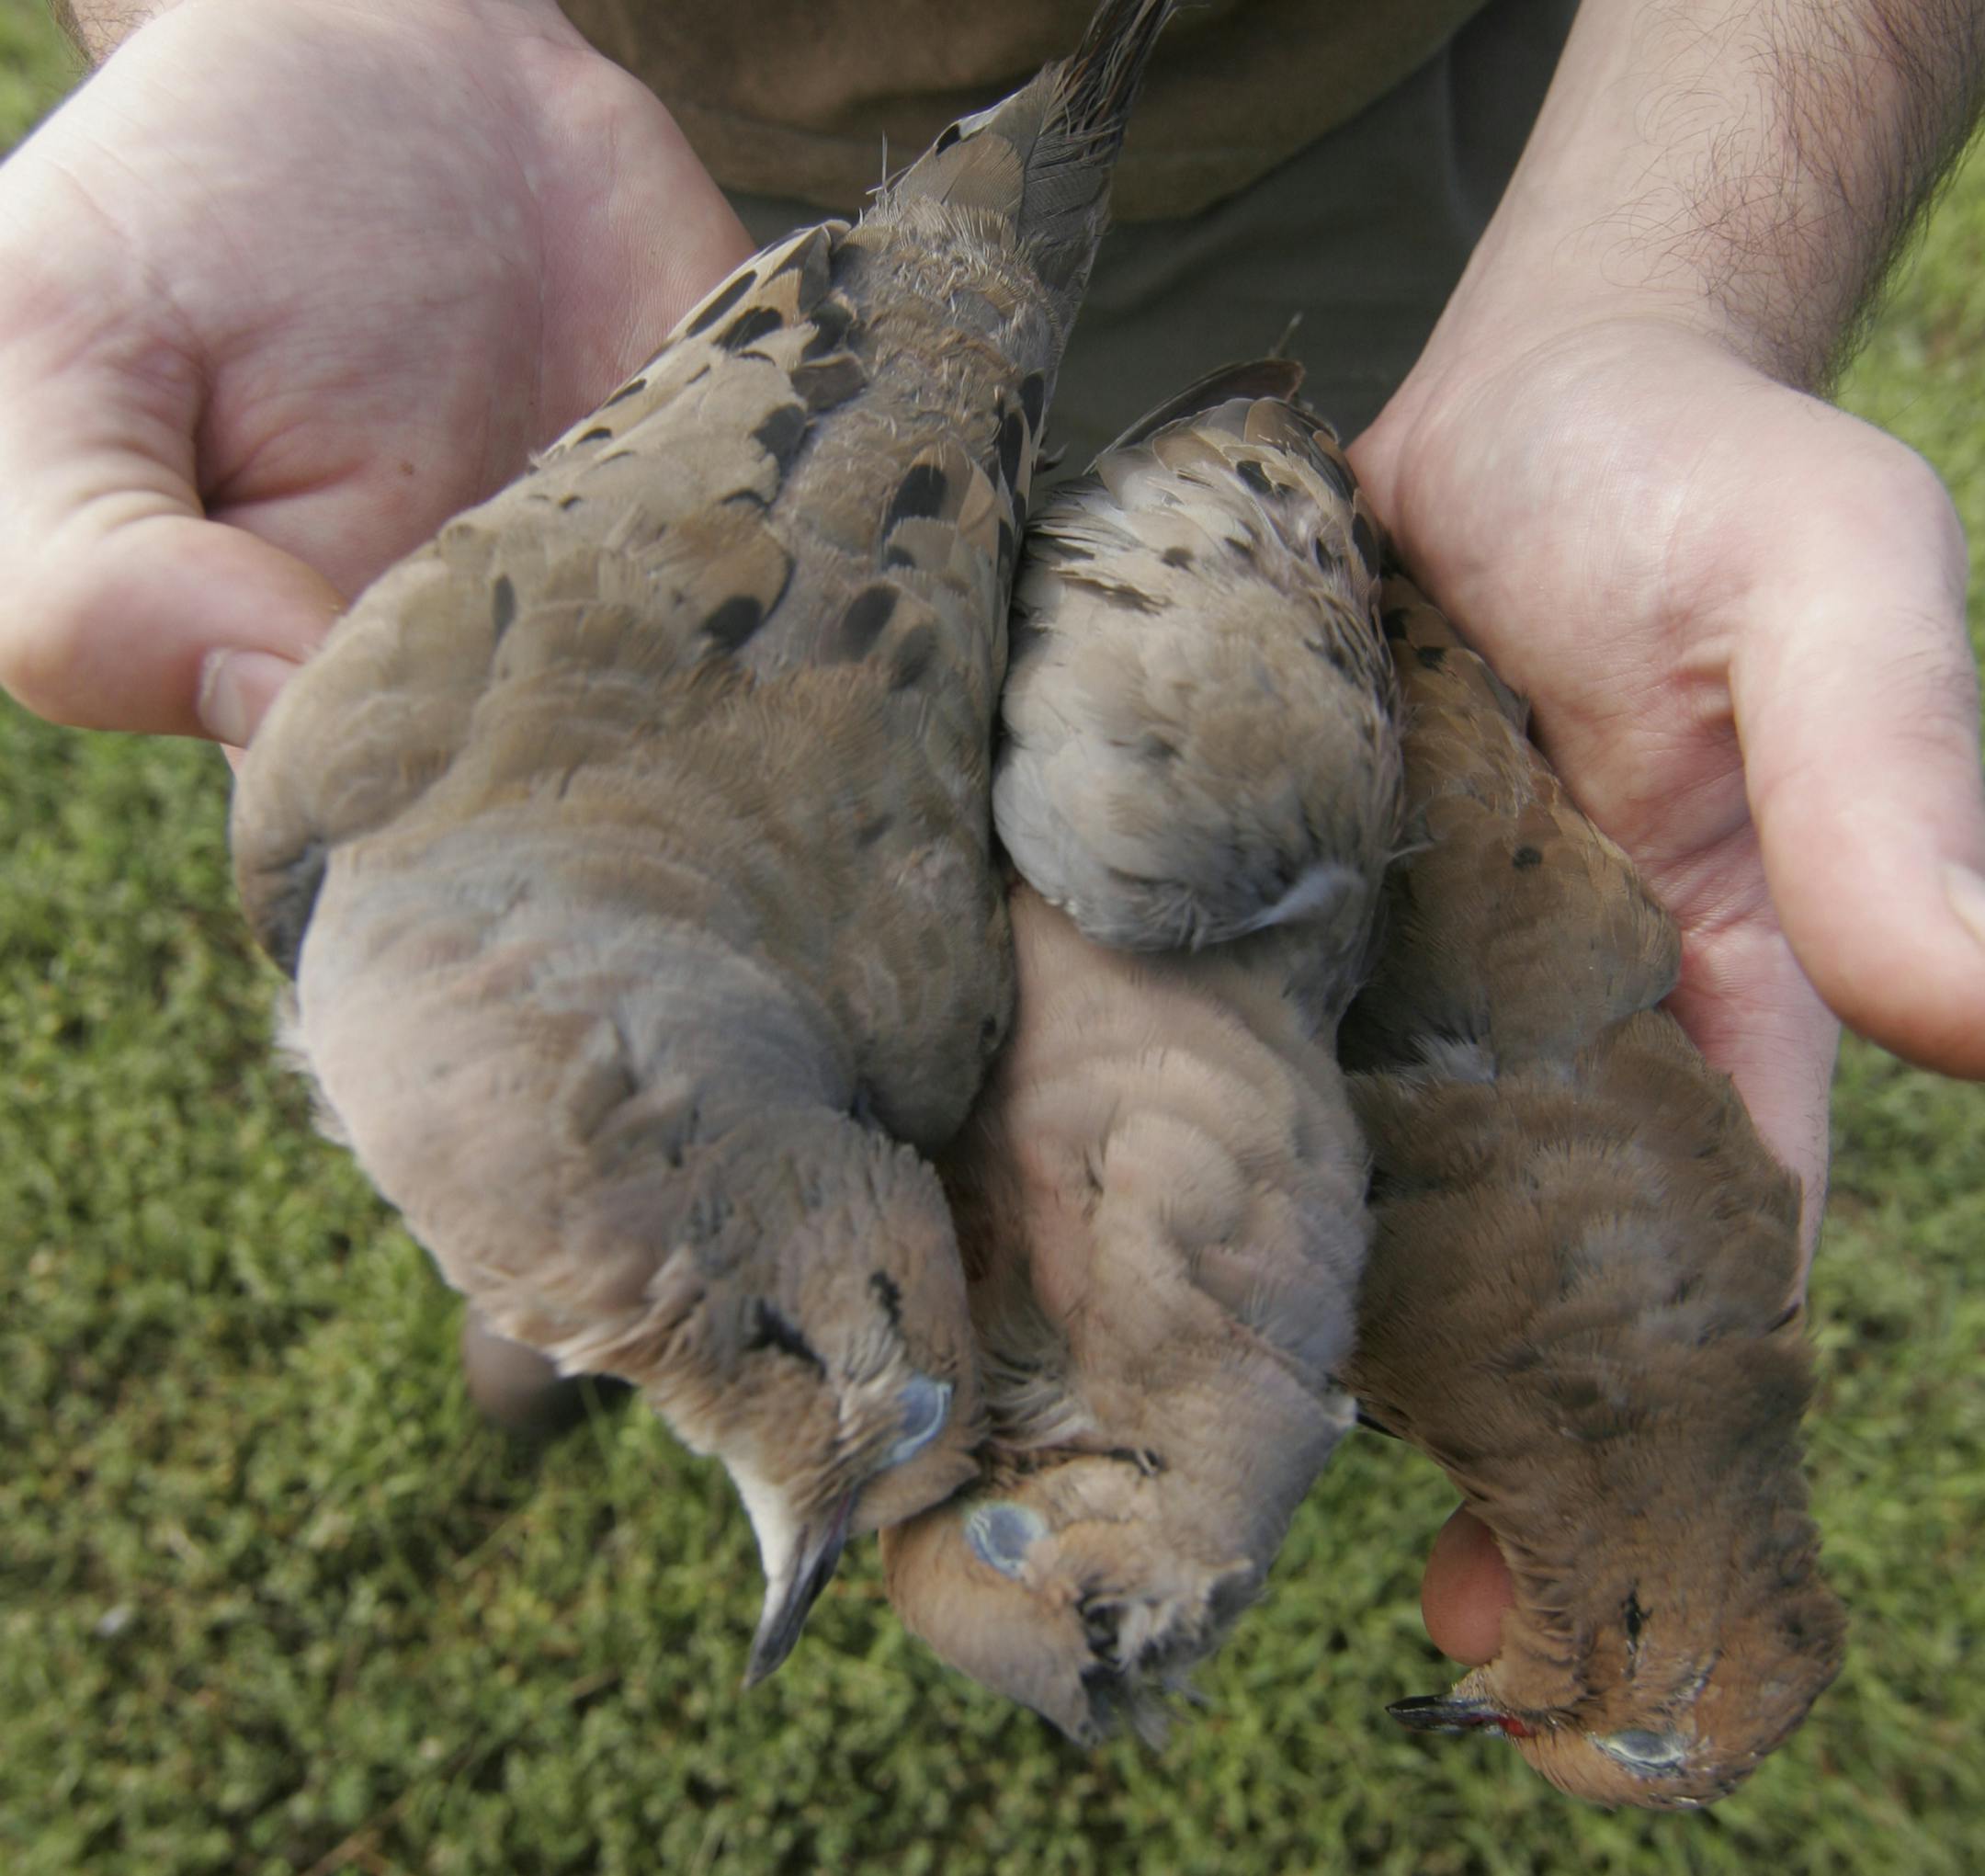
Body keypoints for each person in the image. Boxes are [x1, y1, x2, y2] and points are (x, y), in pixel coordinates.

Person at [6, 0, 1982, 1677]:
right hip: (561, 124)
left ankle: (667, 1237)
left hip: (1369, 140)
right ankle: (629, 1253)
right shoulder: (877, 978)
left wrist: (1658, 290)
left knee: (1217, 753)